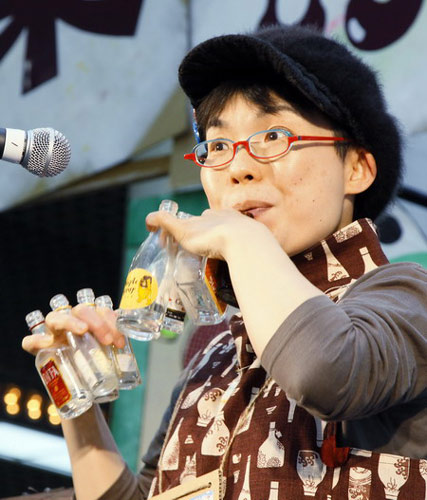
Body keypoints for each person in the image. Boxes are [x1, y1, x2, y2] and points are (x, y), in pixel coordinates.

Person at [22, 23, 427, 499]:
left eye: (272, 136)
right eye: (217, 146)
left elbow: (327, 372)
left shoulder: (405, 297)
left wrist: (240, 236)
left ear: (356, 168)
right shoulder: (213, 357)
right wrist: (78, 395)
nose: (237, 168)